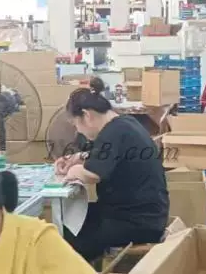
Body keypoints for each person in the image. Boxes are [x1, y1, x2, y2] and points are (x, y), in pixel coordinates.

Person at [56, 78, 169, 264]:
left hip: (136, 222)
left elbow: (93, 174)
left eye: (76, 125)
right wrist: (78, 157)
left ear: (86, 115)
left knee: (67, 236)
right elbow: (109, 155)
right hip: (145, 214)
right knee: (71, 218)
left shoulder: (112, 132)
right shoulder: (124, 123)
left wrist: (74, 171)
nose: (79, 132)